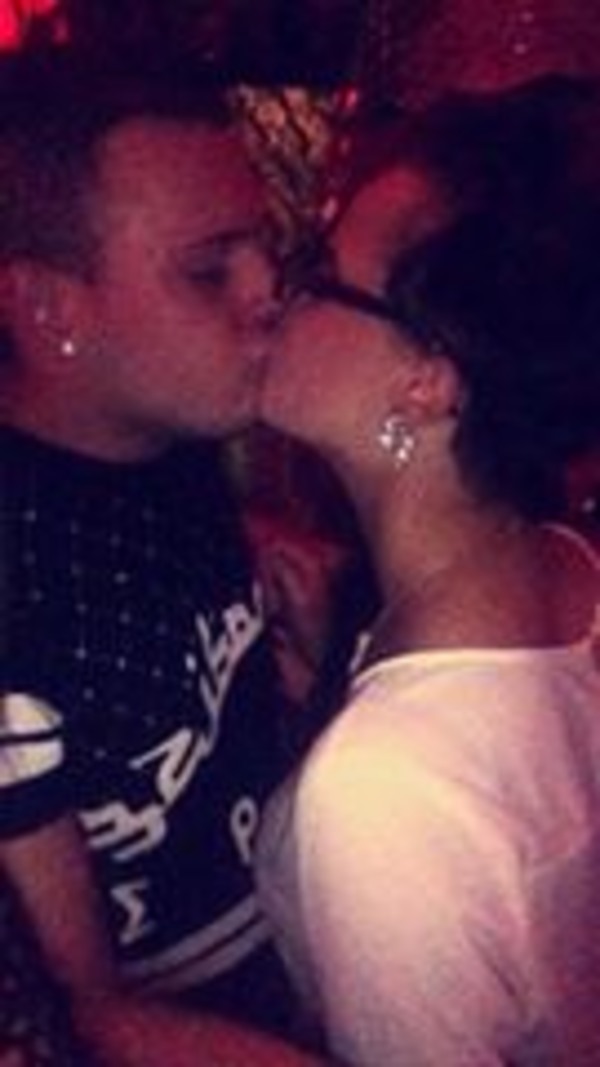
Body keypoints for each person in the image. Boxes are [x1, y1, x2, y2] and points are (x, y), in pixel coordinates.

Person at [256, 76, 600, 1066]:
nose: (278, 292)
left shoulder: (386, 785)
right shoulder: (565, 569)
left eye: (321, 271)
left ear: (428, 379)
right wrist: (335, 675)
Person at [0, 46, 326, 1067]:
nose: (269, 290)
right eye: (209, 268)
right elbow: (90, 1011)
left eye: (266, 250)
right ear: (50, 310)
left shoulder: (176, 443)